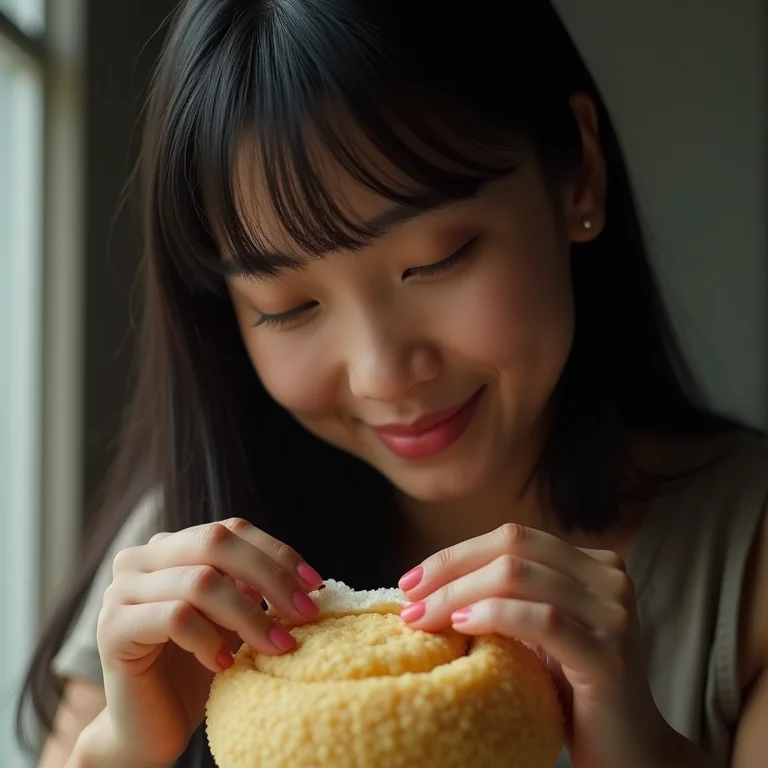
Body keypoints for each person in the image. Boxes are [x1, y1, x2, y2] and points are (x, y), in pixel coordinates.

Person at [16, 1, 768, 766]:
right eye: (289, 307)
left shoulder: (746, 560)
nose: (382, 373)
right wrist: (120, 751)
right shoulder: (193, 544)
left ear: (580, 174)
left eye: (438, 260)